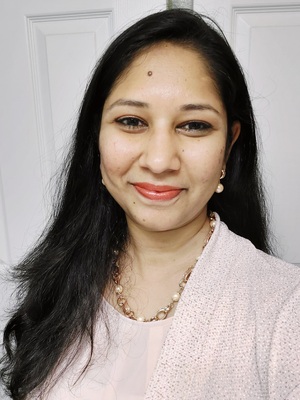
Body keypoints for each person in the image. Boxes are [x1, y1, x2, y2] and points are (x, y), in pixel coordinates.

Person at [1, 8, 300, 400]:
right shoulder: (58, 284)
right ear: (96, 137)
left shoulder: (286, 311)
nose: (159, 161)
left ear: (229, 145)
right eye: (131, 121)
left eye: (194, 126)